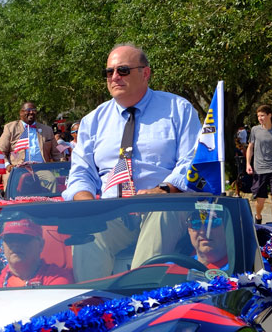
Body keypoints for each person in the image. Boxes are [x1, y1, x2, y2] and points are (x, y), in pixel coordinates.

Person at [63, 43, 201, 279]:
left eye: (123, 70)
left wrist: (164, 189)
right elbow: (81, 172)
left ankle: (138, 301)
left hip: (164, 208)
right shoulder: (92, 120)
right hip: (111, 212)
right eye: (109, 72)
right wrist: (87, 203)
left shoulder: (178, 109)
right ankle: (89, 307)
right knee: (89, 231)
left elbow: (192, 160)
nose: (114, 77)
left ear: (145, 73)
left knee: (163, 210)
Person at [0, 218, 73, 288]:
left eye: (23, 238)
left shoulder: (56, 279)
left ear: (40, 244)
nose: (15, 244)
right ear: (2, 244)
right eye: (9, 238)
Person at [0, 102, 55, 171]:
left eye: (34, 110)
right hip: (17, 169)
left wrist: (64, 166)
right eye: (28, 110)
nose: (31, 112)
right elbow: (0, 151)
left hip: (41, 169)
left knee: (51, 181)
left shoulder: (47, 130)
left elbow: (57, 152)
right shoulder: (10, 128)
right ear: (21, 113)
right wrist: (8, 165)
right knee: (19, 181)